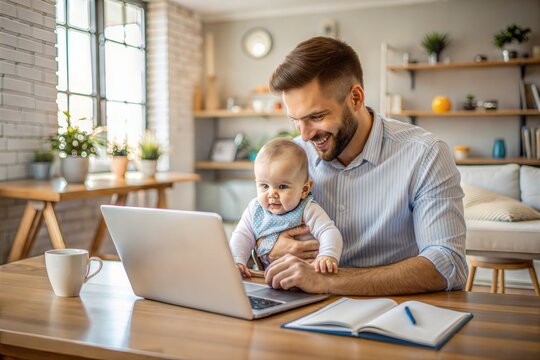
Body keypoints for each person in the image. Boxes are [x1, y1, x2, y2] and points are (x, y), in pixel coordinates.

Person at [263, 36, 467, 295]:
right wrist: (268, 247)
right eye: (296, 120)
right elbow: (257, 231)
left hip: (394, 312)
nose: (304, 135)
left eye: (316, 116)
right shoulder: (292, 156)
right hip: (299, 308)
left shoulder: (425, 154)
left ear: (356, 98)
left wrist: (327, 281)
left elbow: (448, 264)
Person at [229, 137, 343, 278]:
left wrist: (327, 256)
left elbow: (329, 232)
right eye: (264, 186)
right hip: (269, 280)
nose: (272, 194)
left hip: (306, 278)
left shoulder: (307, 209)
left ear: (304, 189)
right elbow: (242, 236)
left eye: (282, 186)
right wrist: (236, 261)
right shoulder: (255, 209)